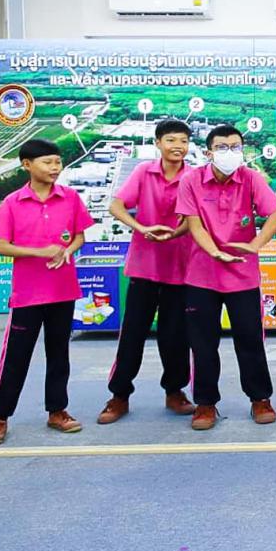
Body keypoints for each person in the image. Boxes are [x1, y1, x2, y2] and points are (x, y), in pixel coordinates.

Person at [0, 139, 95, 446]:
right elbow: (2, 246)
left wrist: (67, 250)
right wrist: (39, 251)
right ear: (27, 165)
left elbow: (80, 237)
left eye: (57, 162)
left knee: (59, 355)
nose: (55, 168)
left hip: (63, 291)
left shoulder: (70, 198)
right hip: (28, 295)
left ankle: (57, 411)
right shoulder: (13, 202)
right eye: (47, 162)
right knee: (16, 357)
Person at [175, 124, 276, 431]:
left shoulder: (250, 178)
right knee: (203, 344)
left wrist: (256, 244)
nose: (230, 153)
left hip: (242, 275)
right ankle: (205, 404)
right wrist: (215, 252)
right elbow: (194, 224)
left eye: (235, 147)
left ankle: (260, 398)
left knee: (250, 340)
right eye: (222, 148)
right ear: (209, 152)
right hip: (202, 275)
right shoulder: (191, 180)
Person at [97, 119, 196, 425]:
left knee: (175, 335)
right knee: (133, 333)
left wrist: (176, 232)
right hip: (144, 267)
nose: (178, 146)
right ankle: (119, 395)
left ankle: (175, 391)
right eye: (171, 140)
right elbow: (116, 207)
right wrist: (141, 228)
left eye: (183, 141)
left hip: (181, 267)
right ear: (158, 143)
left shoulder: (193, 176)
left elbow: (196, 218)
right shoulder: (143, 172)